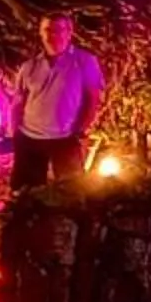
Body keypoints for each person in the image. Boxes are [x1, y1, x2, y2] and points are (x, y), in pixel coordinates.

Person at [11, 13, 106, 190]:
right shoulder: (29, 66)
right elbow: (18, 101)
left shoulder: (85, 61)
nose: (53, 35)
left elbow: (93, 98)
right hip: (30, 138)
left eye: (59, 30)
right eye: (48, 29)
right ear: (41, 33)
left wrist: (82, 130)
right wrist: (14, 132)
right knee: (25, 193)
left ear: (69, 32)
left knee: (72, 192)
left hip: (65, 138)